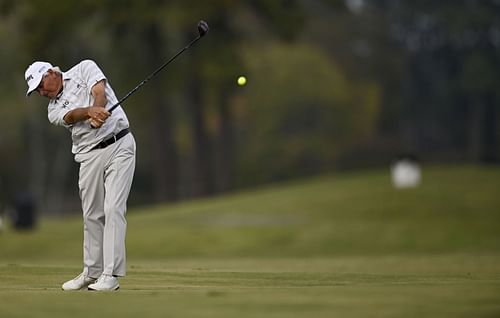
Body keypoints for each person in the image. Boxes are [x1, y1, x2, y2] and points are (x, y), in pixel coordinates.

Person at [25, 60, 136, 291]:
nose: (41, 92)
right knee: (92, 214)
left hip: (119, 143)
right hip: (88, 156)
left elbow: (99, 90)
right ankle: (91, 272)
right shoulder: (52, 110)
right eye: (37, 91)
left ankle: (110, 275)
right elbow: (71, 116)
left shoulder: (84, 68)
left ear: (50, 73)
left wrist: (98, 108)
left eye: (40, 85)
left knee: (113, 207)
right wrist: (89, 113)